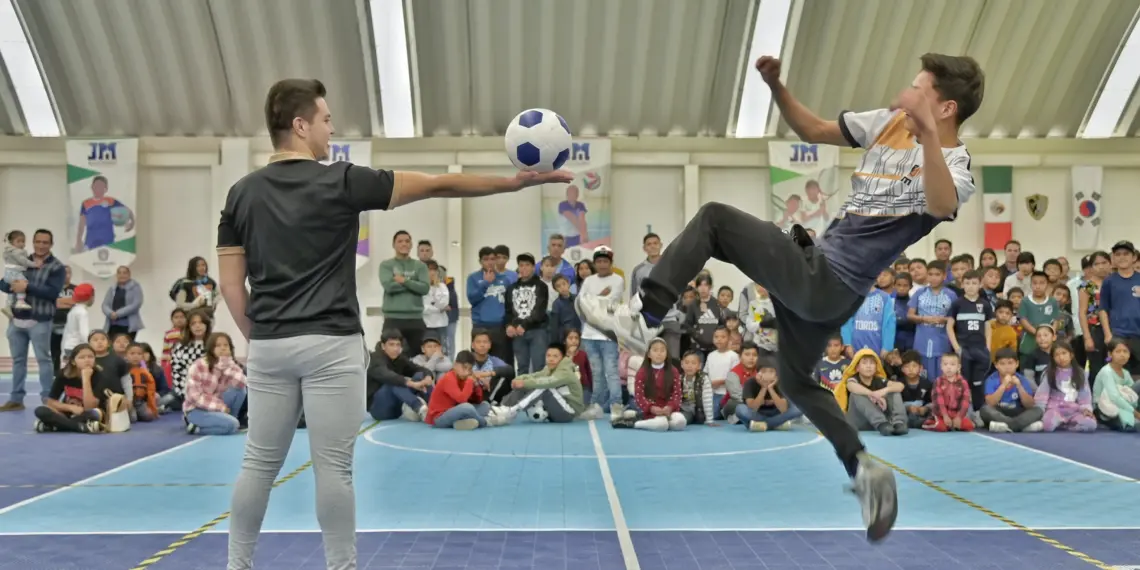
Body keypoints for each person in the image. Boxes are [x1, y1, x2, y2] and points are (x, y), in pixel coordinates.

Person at [577, 53, 985, 542]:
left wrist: (928, 134)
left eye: (921, 92)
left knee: (714, 220)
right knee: (794, 377)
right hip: (825, 285)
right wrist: (776, 87)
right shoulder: (889, 124)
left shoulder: (956, 167)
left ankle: (644, 319)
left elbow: (941, 203)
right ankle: (863, 468)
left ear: (946, 108)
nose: (909, 96)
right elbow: (813, 129)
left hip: (830, 281)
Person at [217, 79, 571, 570]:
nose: (330, 127)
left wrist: (257, 335)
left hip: (272, 346)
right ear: (299, 126)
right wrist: (510, 183)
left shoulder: (241, 194)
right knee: (334, 468)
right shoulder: (341, 180)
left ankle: (238, 565)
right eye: (324, 119)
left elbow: (232, 286)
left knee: (258, 463)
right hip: (331, 344)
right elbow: (437, 183)